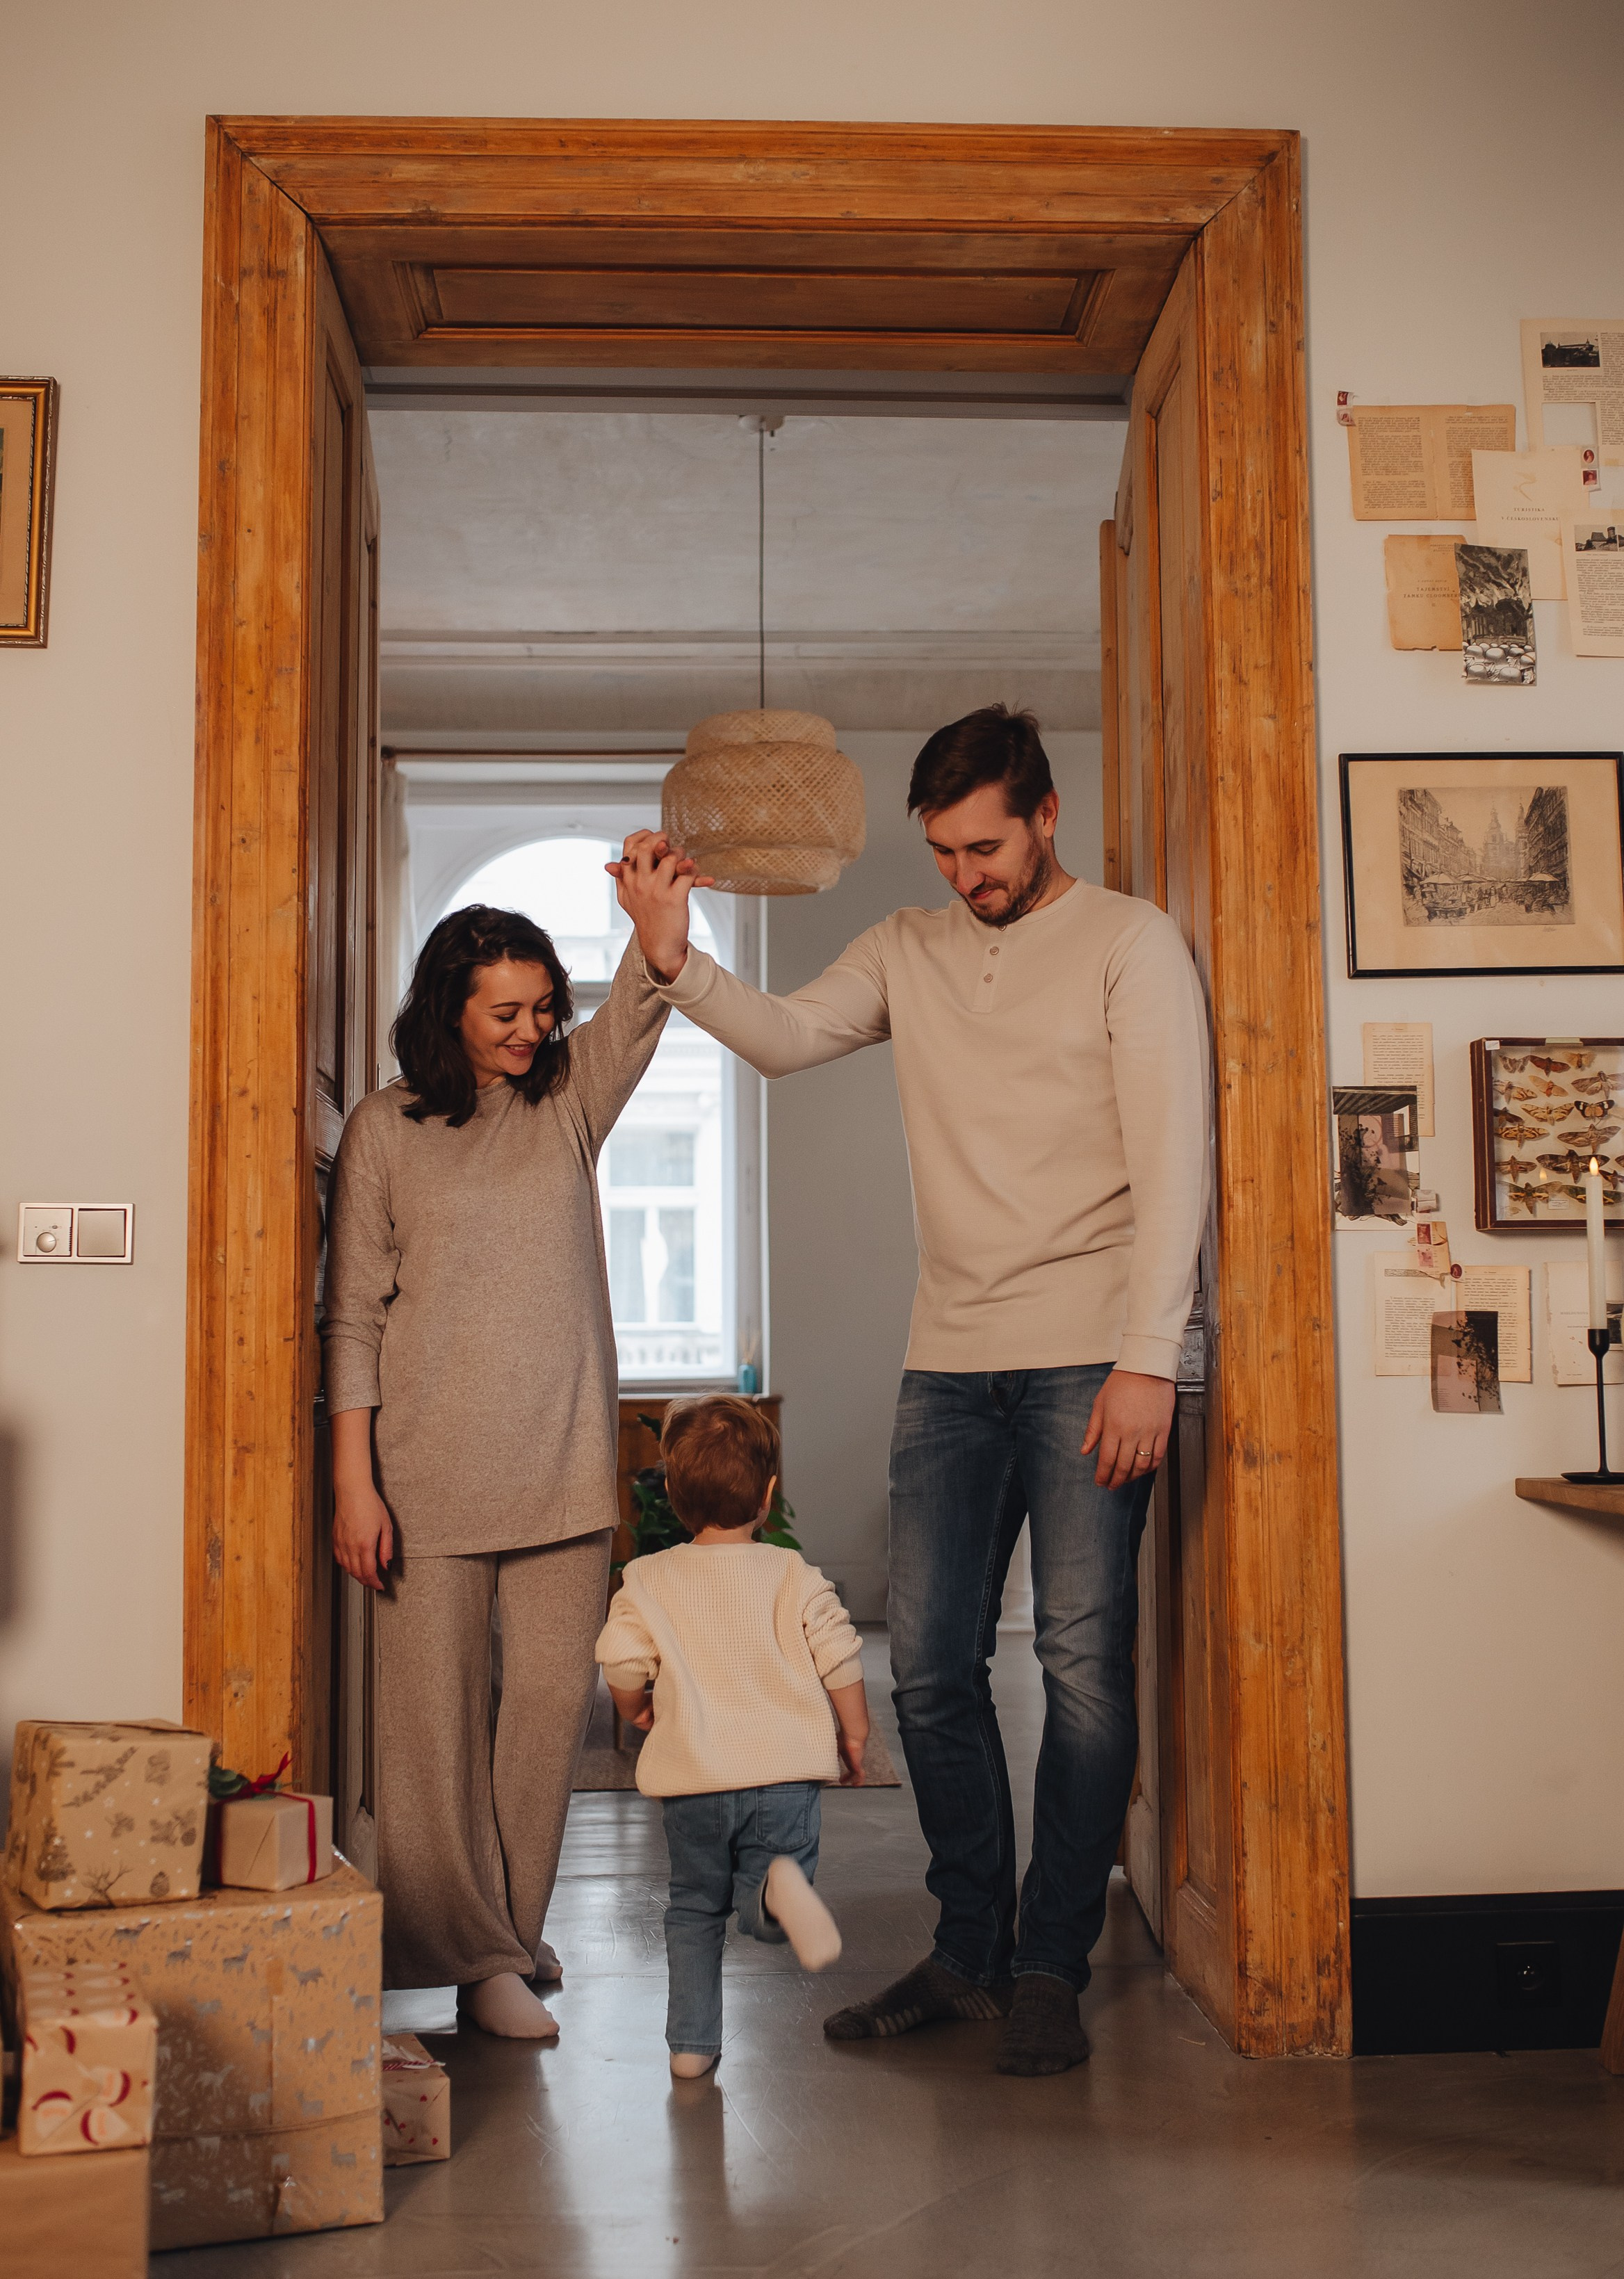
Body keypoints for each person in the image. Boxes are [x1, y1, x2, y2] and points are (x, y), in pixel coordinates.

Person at [610, 705, 1210, 2077]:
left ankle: (1053, 1959)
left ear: (1046, 815)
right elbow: (778, 1035)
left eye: (985, 846)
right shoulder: (906, 949)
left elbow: (1176, 1158)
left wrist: (1147, 1358)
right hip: (947, 1359)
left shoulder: (1130, 944)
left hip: (1089, 1357)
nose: (964, 874)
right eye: (942, 851)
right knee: (930, 1667)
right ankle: (968, 1951)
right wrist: (671, 956)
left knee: (1077, 1665)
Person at [321, 903, 668, 2038]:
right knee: (431, 1732)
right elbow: (352, 1322)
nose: (531, 1029)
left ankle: (506, 1942)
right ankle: (473, 1957)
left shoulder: (566, 1102)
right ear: (448, 1011)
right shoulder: (384, 1128)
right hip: (426, 1476)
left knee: (541, 1720)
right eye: (504, 1013)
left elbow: (637, 1011)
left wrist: (660, 920)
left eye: (540, 1007)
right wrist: (352, 1481)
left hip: (563, 1467)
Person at [596, 1396, 871, 2079]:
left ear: (673, 1492)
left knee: (691, 1908)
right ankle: (774, 1893)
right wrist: (855, 1733)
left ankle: (691, 2044)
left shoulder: (648, 1579)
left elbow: (621, 1662)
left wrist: (635, 1707)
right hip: (782, 1773)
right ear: (768, 1495)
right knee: (771, 1877)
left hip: (692, 1779)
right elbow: (839, 1652)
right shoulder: (791, 1574)